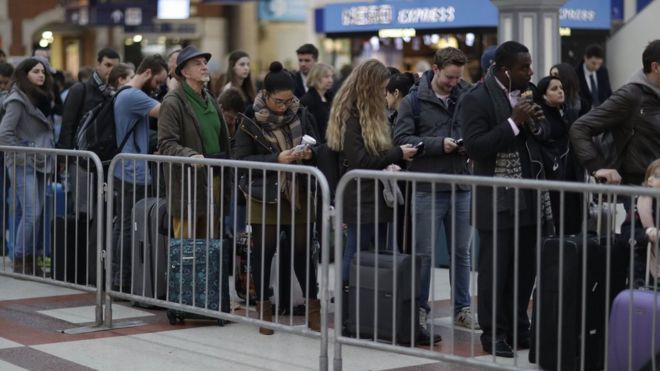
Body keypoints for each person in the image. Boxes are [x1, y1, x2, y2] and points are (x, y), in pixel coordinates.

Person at [325, 59, 434, 344]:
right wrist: (397, 154)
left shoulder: (368, 111)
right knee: (356, 251)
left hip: (374, 193)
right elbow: (361, 159)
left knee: (373, 254)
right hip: (360, 193)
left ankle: (371, 312)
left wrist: (392, 158)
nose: (385, 93)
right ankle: (349, 314)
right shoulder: (351, 114)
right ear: (369, 85)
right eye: (382, 87)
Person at [459, 41, 550, 357]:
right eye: (524, 67)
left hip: (528, 196)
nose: (531, 72)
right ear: (504, 70)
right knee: (495, 271)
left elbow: (545, 136)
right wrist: (514, 122)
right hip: (496, 201)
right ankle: (493, 333)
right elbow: (475, 147)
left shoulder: (528, 93)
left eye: (530, 65)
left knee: (525, 268)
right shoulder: (476, 99)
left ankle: (518, 327)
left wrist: (536, 122)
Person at [393, 47, 477, 333]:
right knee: (424, 253)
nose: (454, 83)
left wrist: (470, 144)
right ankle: (419, 308)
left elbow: (477, 129)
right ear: (436, 69)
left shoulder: (467, 96)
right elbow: (402, 139)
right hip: (428, 185)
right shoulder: (413, 101)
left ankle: (462, 308)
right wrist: (438, 144)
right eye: (450, 77)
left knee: (462, 253)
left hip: (461, 184)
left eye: (458, 77)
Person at [233, 61, 320, 335]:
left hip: (299, 192)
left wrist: (309, 154)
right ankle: (264, 308)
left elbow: (321, 146)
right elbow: (241, 159)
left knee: (303, 251)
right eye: (278, 100)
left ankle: (313, 307)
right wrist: (276, 159)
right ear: (266, 95)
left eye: (288, 100)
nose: (284, 106)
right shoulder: (250, 119)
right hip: (265, 194)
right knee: (264, 252)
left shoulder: (302, 114)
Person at [159, 45, 231, 240]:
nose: (204, 67)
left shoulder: (210, 98)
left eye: (205, 63)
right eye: (197, 64)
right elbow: (166, 143)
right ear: (184, 71)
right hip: (188, 183)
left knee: (210, 247)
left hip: (214, 178)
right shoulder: (172, 102)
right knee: (187, 249)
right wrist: (188, 155)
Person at [570, 39, 660, 187]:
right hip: (641, 188)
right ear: (655, 67)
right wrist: (598, 167)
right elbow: (579, 128)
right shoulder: (632, 95)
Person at [111, 54, 167, 291]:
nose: (158, 87)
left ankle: (118, 280)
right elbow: (166, 112)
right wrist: (174, 91)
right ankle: (122, 281)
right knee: (127, 228)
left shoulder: (125, 93)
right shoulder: (133, 95)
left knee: (123, 225)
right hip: (132, 172)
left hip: (127, 169)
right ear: (147, 74)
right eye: (157, 82)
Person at [0, 57, 56, 274]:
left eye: (43, 71)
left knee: (37, 211)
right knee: (32, 212)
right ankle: (21, 258)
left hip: (42, 160)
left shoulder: (40, 98)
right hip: (24, 163)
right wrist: (26, 149)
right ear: (25, 74)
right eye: (35, 71)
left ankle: (30, 257)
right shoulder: (17, 99)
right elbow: (4, 134)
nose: (41, 75)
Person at [534, 75, 583, 234]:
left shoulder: (566, 112)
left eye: (561, 88)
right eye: (554, 89)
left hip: (569, 171)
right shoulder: (540, 114)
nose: (560, 92)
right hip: (552, 173)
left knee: (572, 217)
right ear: (543, 95)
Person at [59, 47, 120, 149]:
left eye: (115, 67)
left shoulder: (116, 92)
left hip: (106, 155)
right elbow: (67, 125)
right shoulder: (80, 89)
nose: (111, 70)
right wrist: (65, 156)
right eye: (108, 65)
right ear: (98, 64)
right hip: (79, 154)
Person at [637, 159, 660, 280]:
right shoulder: (641, 202)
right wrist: (647, 234)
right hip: (645, 271)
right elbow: (626, 234)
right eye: (649, 175)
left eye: (657, 176)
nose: (650, 179)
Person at [300, 63, 334, 143]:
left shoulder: (330, 97)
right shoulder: (307, 100)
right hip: (318, 145)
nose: (330, 80)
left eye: (331, 76)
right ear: (316, 78)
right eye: (326, 77)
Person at [575, 44, 612, 110]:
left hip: (602, 113)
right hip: (584, 115)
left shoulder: (603, 71)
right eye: (593, 63)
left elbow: (608, 92)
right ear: (585, 58)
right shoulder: (576, 73)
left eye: (599, 64)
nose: (596, 67)